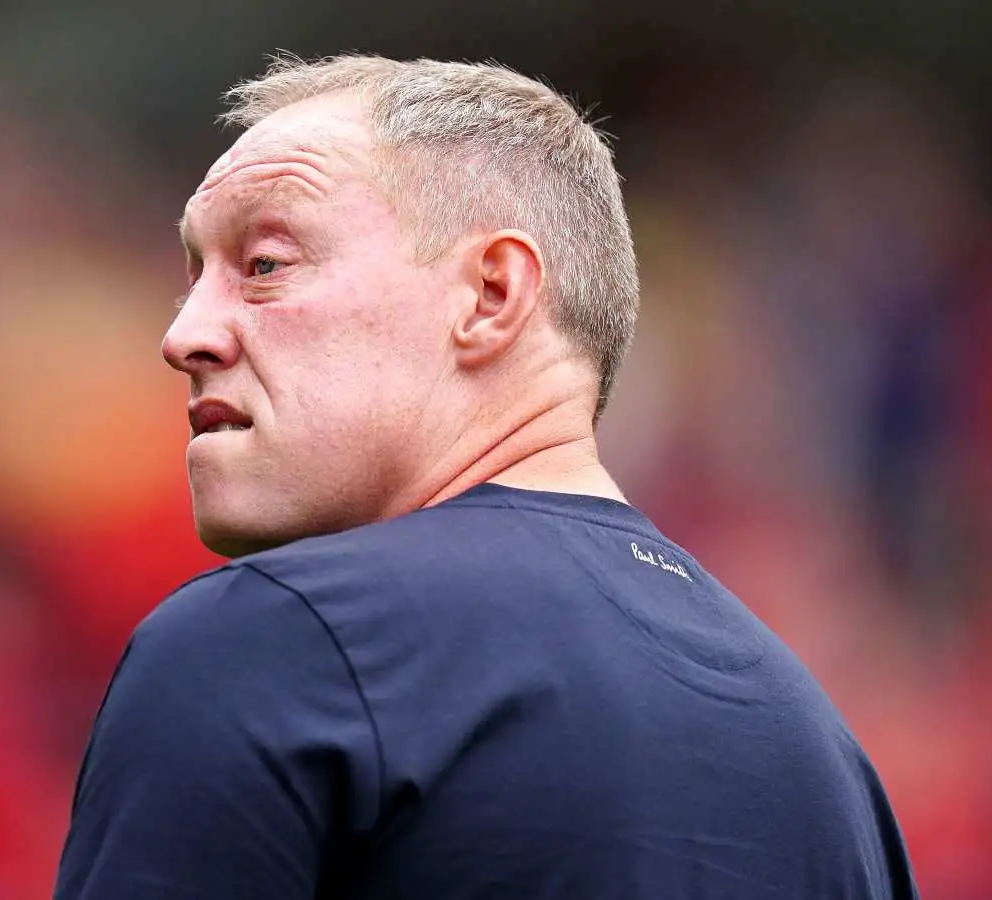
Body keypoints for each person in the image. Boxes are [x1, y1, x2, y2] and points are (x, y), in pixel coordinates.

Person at [54, 54, 918, 899]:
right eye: (191, 277)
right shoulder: (829, 766)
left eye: (266, 265)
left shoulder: (273, 643)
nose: (184, 336)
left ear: (492, 295)